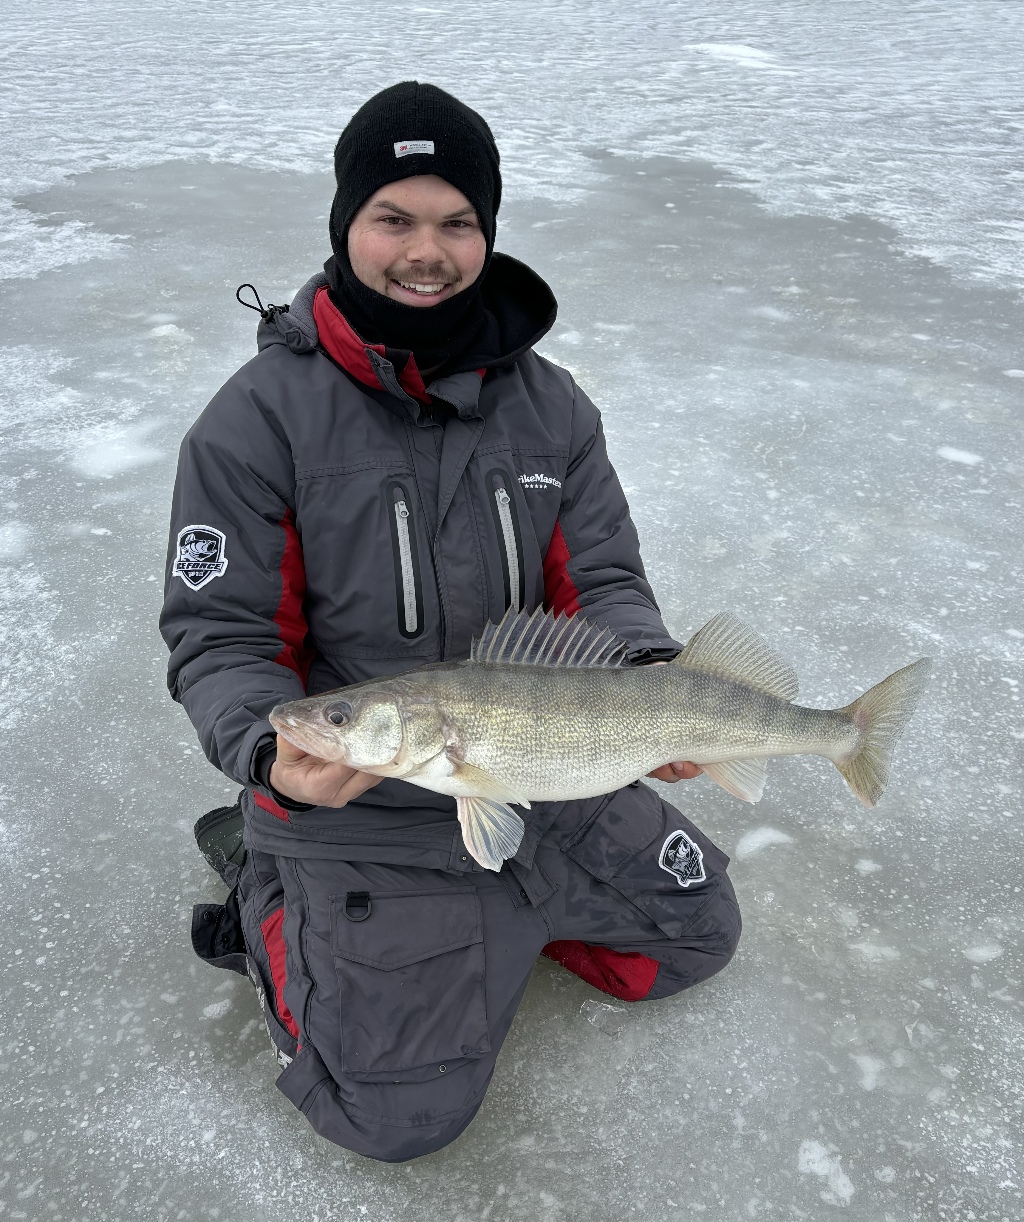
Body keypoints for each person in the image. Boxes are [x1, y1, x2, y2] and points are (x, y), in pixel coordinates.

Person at [161, 82, 741, 1162]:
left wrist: (650, 679)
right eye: (394, 217)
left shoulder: (553, 408)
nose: (424, 250)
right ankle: (270, 889)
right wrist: (269, 757)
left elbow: (603, 583)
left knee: (693, 939)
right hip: (362, 784)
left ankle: (488, 923)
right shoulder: (254, 423)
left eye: (456, 221)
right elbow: (221, 637)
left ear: (487, 231)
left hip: (537, 756)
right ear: (346, 226)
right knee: (393, 1114)